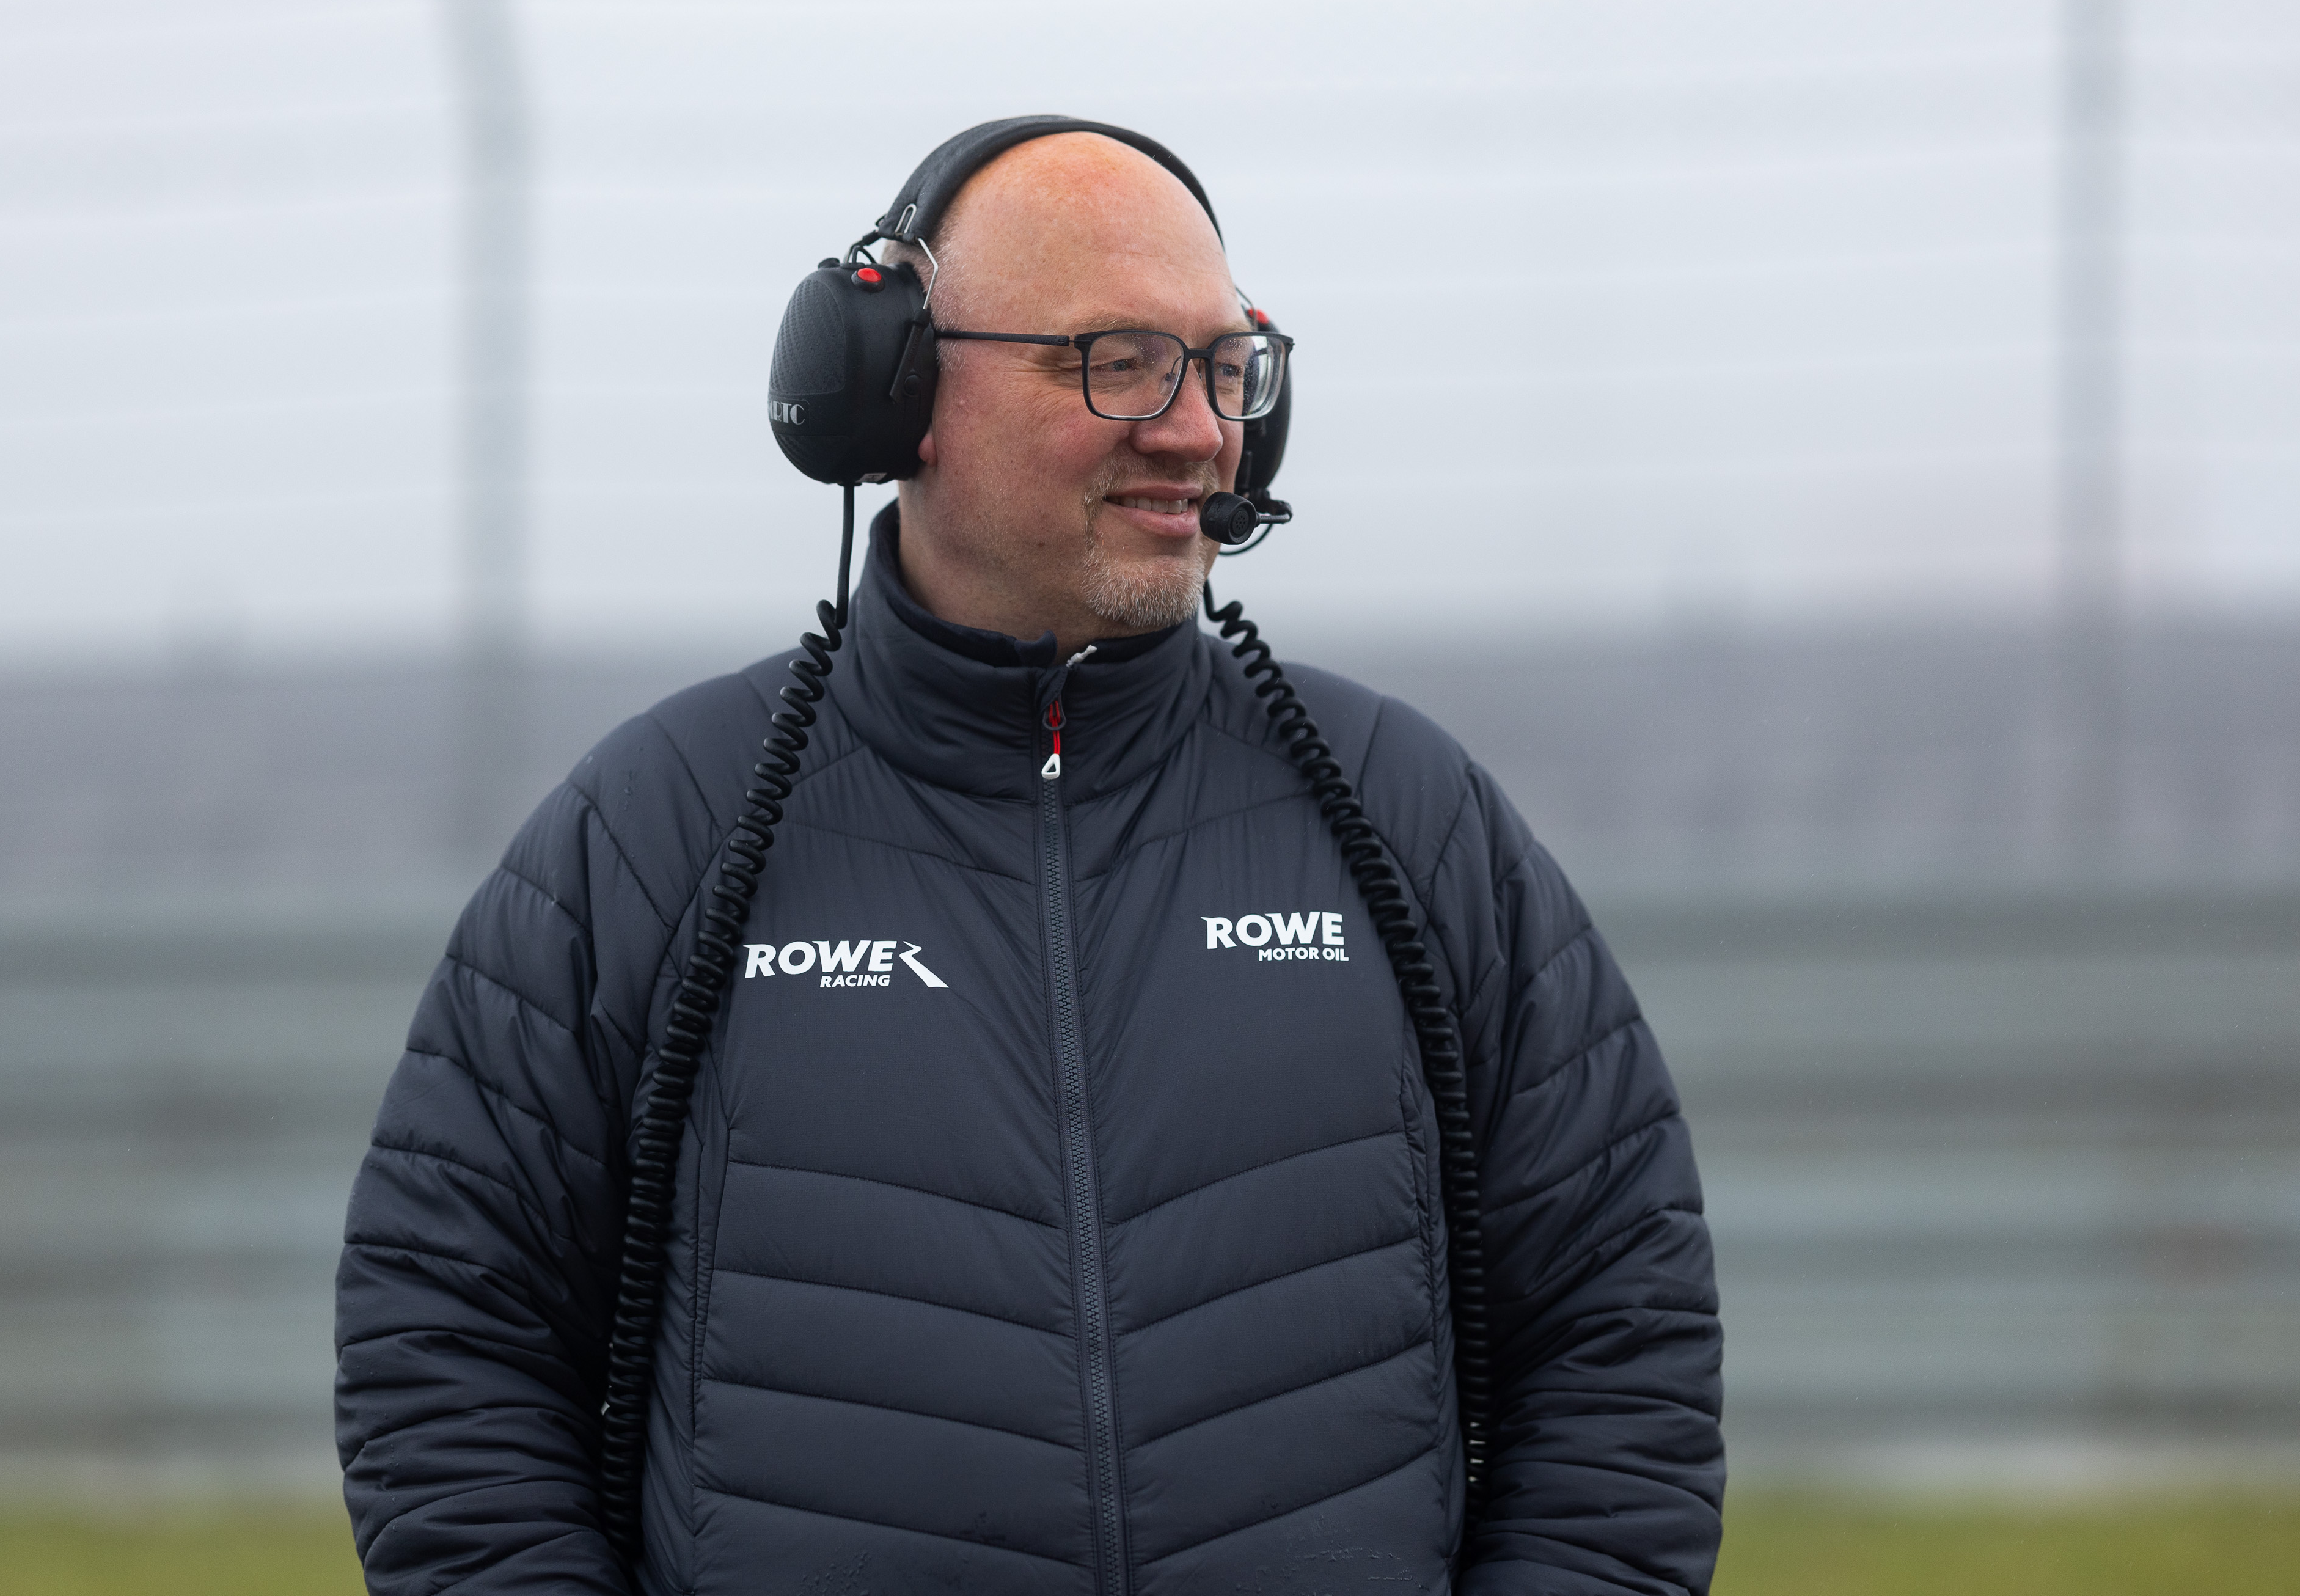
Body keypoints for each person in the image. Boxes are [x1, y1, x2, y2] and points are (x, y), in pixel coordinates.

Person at [335, 123, 1723, 1594]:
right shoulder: (655, 830)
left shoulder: (1410, 818)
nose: (1196, 430)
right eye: (1119, 361)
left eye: (1227, 365)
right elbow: (448, 1339)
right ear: (898, 390)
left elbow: (1618, 1329)